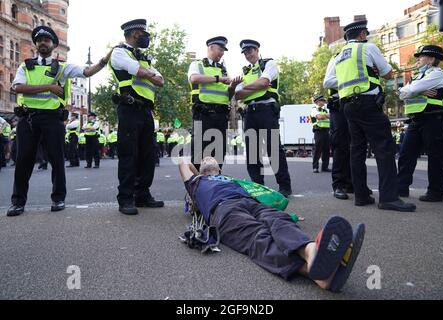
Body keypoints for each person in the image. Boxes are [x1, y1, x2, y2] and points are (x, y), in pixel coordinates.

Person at [178, 157, 365, 293]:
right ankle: (313, 271)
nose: (208, 158)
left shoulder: (232, 180)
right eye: (204, 159)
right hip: (224, 211)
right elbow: (182, 162)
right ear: (200, 169)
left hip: (251, 203)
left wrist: (289, 215)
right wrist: (199, 173)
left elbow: (265, 195)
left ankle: (310, 251)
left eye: (212, 158)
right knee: (258, 237)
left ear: (219, 169)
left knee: (279, 221)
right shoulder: (196, 184)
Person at [7, 26, 110, 217]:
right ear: (36, 44)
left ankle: (58, 198)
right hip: (28, 119)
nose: (42, 43)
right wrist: (49, 87)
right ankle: (17, 202)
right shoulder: (25, 66)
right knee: (23, 161)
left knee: (57, 160)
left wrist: (104, 61)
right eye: (39, 40)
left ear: (54, 45)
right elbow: (18, 87)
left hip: (52, 119)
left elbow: (87, 71)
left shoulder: (63, 67)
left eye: (47, 40)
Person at [323, 20, 416, 212]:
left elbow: (330, 82)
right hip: (367, 103)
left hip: (347, 105)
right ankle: (389, 198)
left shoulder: (339, 56)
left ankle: (361, 196)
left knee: (356, 150)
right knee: (384, 148)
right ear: (362, 35)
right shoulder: (367, 48)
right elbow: (389, 73)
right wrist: (372, 71)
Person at [109, 19, 165, 215]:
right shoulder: (118, 52)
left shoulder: (144, 57)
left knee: (148, 155)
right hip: (129, 108)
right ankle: (125, 198)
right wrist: (147, 72)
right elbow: (139, 71)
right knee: (128, 154)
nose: (146, 36)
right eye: (144, 33)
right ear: (134, 34)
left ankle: (142, 194)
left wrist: (146, 72)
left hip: (146, 111)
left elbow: (161, 81)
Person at [235, 39, 292, 197]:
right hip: (250, 113)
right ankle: (257, 186)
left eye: (250, 50)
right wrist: (256, 85)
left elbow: (265, 82)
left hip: (266, 110)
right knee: (253, 152)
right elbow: (237, 94)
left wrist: (248, 88)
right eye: (245, 52)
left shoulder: (269, 64)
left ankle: (284, 185)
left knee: (273, 149)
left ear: (257, 50)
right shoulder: (245, 71)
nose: (248, 54)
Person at [397, 45, 443, 202]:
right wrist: (416, 90)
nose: (417, 59)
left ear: (432, 59)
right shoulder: (417, 77)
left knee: (435, 157)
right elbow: (401, 94)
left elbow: (410, 91)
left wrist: (414, 90)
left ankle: (435, 192)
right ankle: (401, 188)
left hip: (434, 119)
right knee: (406, 154)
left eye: (421, 56)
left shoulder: (437, 74)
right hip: (417, 119)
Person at [188, 36, 241, 170]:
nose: (222, 53)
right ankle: (196, 186)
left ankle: (215, 184)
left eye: (224, 50)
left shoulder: (223, 69)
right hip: (203, 113)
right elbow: (194, 78)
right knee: (199, 152)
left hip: (220, 115)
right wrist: (218, 79)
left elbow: (228, 94)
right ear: (211, 47)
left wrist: (233, 86)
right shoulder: (198, 64)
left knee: (219, 152)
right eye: (220, 49)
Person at [324, 70, 354, 200]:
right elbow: (328, 82)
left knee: (356, 146)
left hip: (356, 103)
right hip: (339, 105)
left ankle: (352, 183)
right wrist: (350, 77)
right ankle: (338, 185)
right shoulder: (337, 58)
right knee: (340, 146)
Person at [310, 95, 331, 174]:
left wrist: (324, 116)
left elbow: (330, 116)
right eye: (322, 100)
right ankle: (315, 167)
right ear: (317, 101)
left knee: (327, 149)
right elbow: (319, 117)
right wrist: (326, 116)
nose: (324, 102)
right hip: (318, 130)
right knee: (318, 149)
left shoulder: (325, 109)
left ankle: (325, 167)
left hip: (327, 131)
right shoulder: (314, 109)